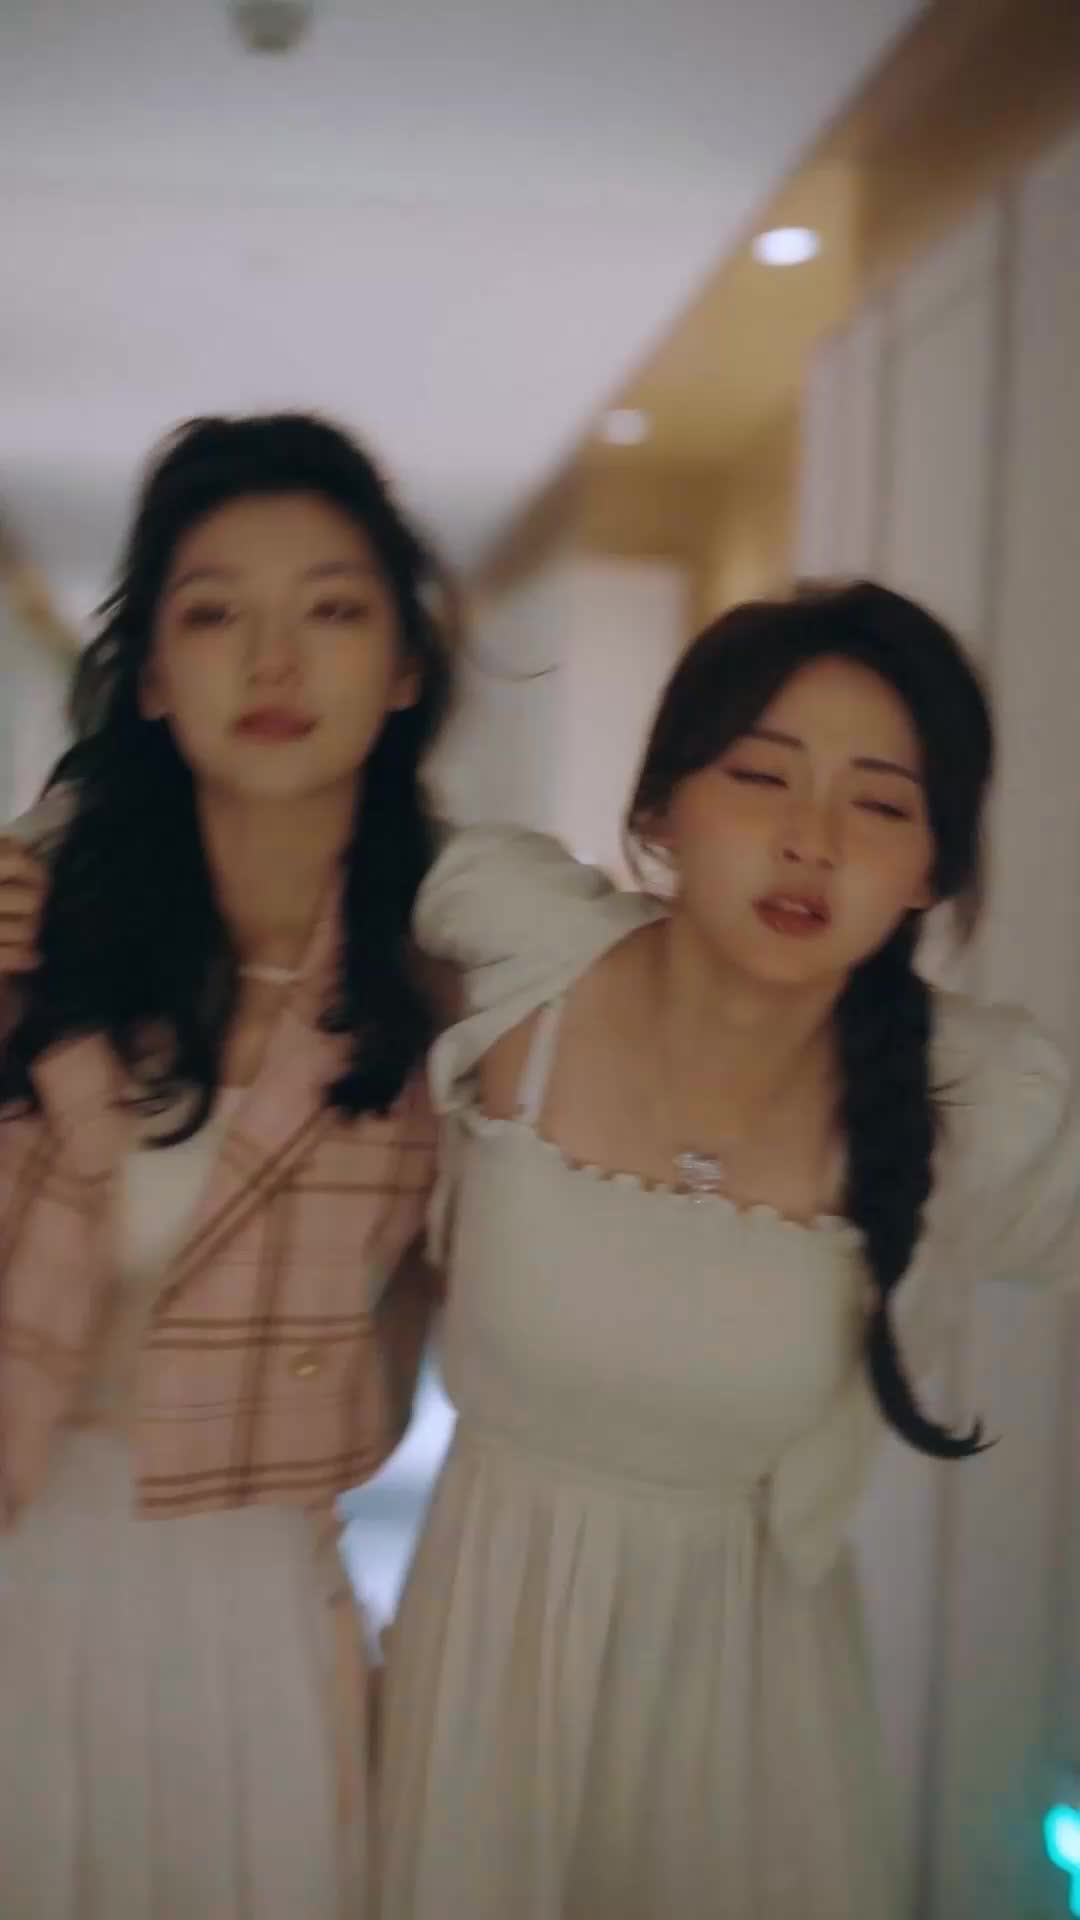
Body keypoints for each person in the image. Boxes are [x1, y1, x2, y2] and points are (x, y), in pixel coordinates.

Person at [376, 581, 1079, 1920]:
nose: (812, 842)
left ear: (930, 869)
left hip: (752, 1728)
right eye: (762, 778)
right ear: (661, 812)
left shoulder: (968, 1102)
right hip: (484, 1678)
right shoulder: (525, 952)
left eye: (880, 805)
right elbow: (287, 850)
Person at [0, 412, 456, 1919]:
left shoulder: (450, 986)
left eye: (330, 611)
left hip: (250, 1591)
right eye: (213, 616)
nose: (272, 664)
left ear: (404, 665)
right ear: (148, 675)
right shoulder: (37, 930)